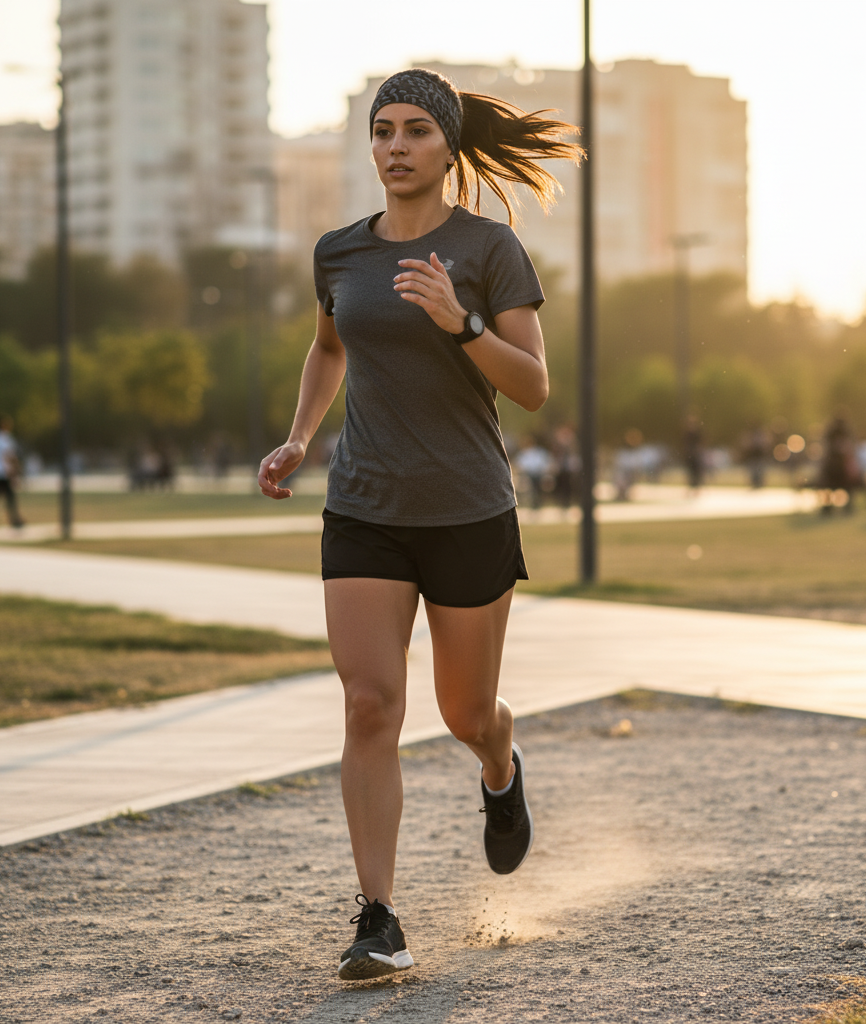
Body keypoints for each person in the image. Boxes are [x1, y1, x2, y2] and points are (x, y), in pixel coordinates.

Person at [257, 67, 581, 981]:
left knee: (465, 711)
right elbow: (328, 347)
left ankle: (500, 767)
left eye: (415, 131)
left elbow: (533, 385)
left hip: (467, 508)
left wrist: (461, 321)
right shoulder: (338, 253)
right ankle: (379, 917)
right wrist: (299, 437)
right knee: (370, 703)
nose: (395, 147)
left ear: (447, 146)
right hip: (365, 505)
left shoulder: (489, 248)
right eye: (382, 131)